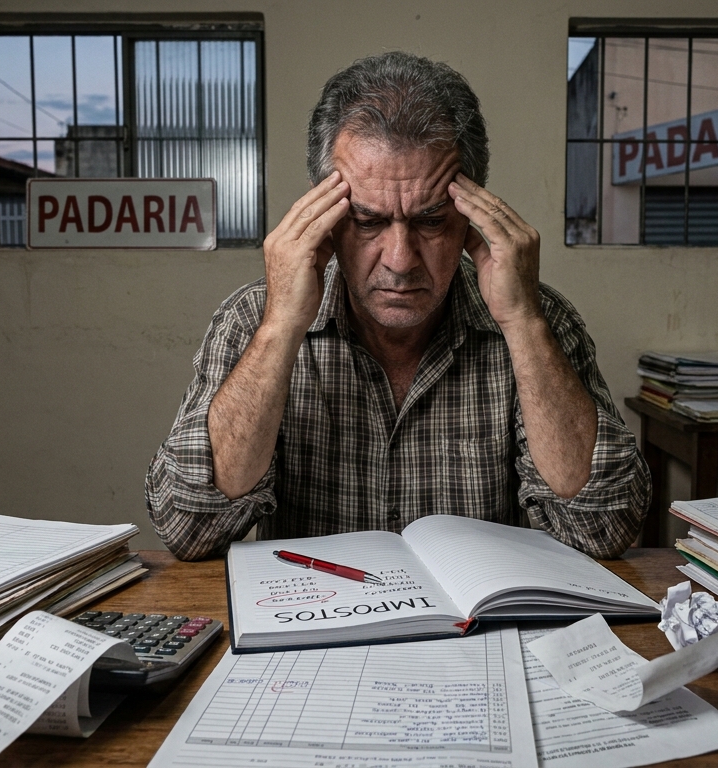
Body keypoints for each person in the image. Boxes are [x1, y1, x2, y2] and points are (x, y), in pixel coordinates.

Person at [147, 51, 650, 561]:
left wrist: (523, 322)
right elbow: (191, 529)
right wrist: (281, 326)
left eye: (431, 221)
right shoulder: (253, 320)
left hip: (479, 634)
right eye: (367, 221)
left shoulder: (538, 319)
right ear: (323, 212)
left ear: (473, 211)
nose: (400, 260)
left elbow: (604, 529)